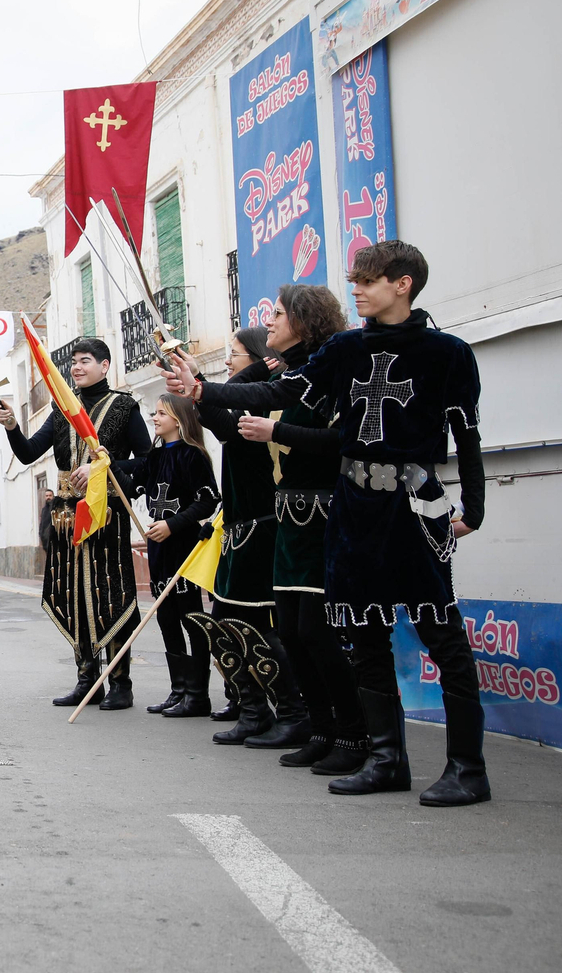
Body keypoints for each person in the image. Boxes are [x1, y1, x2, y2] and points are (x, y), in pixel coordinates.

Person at [166, 241, 489, 807]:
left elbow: (467, 436)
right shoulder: (344, 349)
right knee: (364, 638)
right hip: (353, 507)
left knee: (443, 637)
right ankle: (387, 758)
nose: (357, 289)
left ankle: (467, 767)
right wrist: (202, 390)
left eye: (367, 280)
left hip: (415, 502)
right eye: (355, 280)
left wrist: (474, 512)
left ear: (403, 284)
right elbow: (278, 389)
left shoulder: (449, 353)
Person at [232, 285, 369, 776]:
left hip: (325, 515)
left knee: (317, 631)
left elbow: (340, 440)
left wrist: (277, 432)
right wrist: (198, 390)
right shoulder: (292, 374)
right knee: (290, 631)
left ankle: (355, 735)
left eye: (280, 315)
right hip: (291, 516)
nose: (269, 322)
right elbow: (247, 398)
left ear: (305, 321)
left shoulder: (331, 371)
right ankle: (322, 729)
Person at [0, 339, 150, 710]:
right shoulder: (63, 409)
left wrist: (104, 466)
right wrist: (13, 427)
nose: (77, 368)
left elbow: (147, 461)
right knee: (75, 595)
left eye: (85, 361)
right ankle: (87, 679)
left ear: (105, 365)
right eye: (74, 362)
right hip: (66, 519)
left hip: (106, 516)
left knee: (109, 593)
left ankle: (120, 682)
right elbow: (30, 452)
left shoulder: (124, 407)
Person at [193, 327, 310, 748]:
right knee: (227, 622)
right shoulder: (251, 399)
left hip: (263, 526)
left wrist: (255, 369)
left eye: (236, 355)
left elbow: (227, 418)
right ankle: (253, 709)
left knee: (259, 627)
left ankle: (292, 712)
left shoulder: (273, 402)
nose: (229, 362)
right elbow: (216, 416)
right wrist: (197, 388)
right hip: (239, 527)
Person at [113, 395, 220, 717]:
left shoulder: (194, 456)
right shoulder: (155, 457)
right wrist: (108, 463)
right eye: (155, 412)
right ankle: (179, 690)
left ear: (179, 418)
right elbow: (132, 488)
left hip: (183, 545)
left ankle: (198, 694)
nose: (155, 418)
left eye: (161, 413)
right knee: (166, 618)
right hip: (159, 548)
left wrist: (173, 525)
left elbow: (207, 500)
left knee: (191, 618)